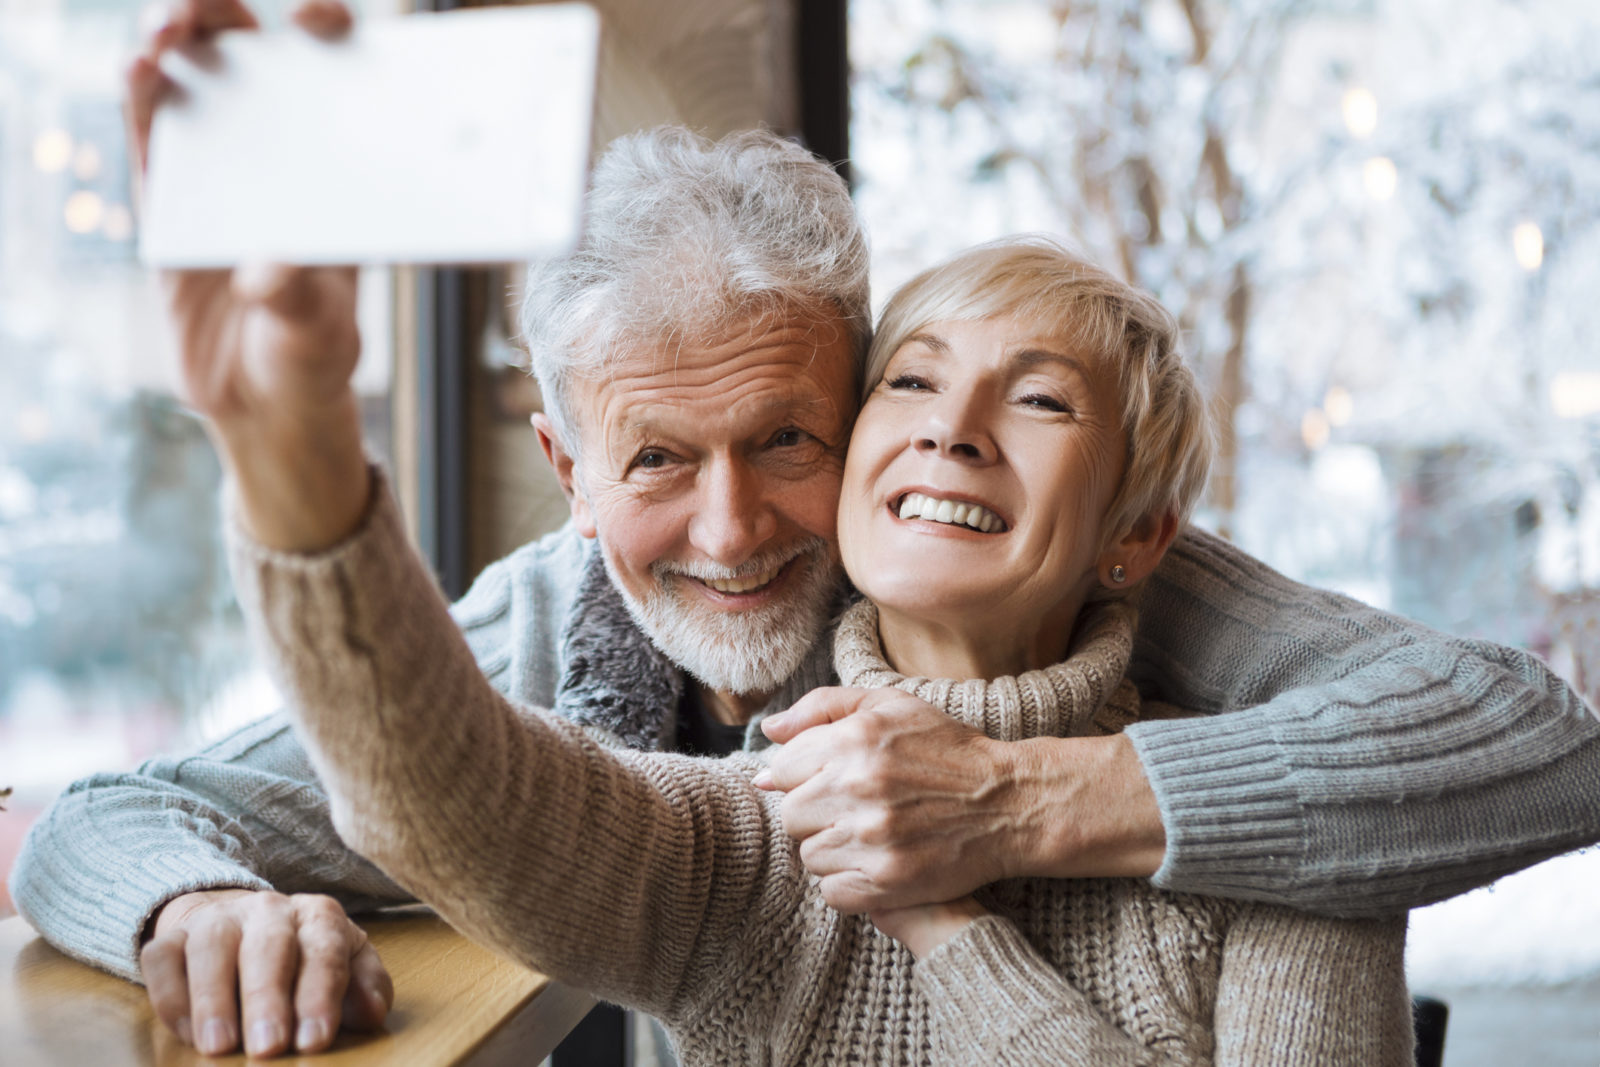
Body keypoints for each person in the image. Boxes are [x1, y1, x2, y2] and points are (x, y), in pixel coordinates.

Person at [10, 0, 1600, 1056]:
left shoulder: (1131, 601)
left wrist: (1000, 804)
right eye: (656, 461)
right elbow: (371, 785)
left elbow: (1533, 733)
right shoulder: (568, 653)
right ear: (567, 467)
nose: (733, 523)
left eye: (789, 436)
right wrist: (195, 891)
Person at [211, 236, 1415, 1063]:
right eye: (913, 382)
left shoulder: (1285, 827)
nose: (953, 427)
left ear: (1139, 531)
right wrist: (298, 458)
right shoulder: (749, 824)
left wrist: (949, 927)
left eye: (1041, 400)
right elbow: (449, 790)